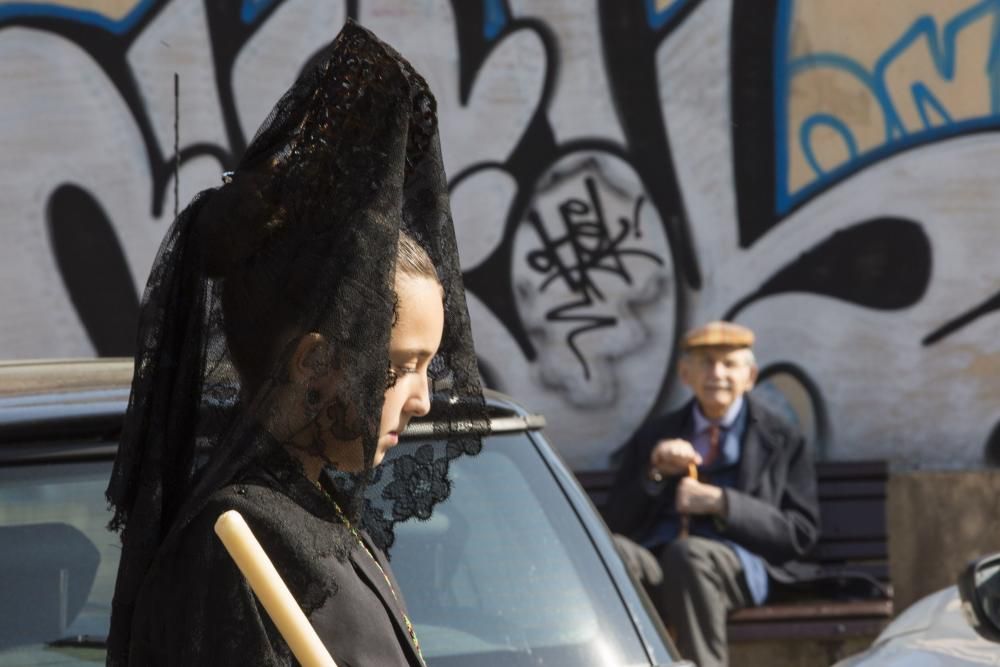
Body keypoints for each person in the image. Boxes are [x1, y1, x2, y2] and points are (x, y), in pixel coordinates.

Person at [104, 20, 485, 666]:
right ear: (314, 362)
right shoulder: (227, 551)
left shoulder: (318, 511)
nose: (423, 398)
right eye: (401, 367)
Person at [605, 321, 820, 667]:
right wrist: (656, 472)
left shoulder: (782, 438)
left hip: (738, 566)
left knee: (689, 557)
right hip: (660, 564)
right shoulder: (656, 435)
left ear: (750, 376)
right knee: (611, 551)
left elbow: (800, 534)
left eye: (729, 364)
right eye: (705, 362)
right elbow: (616, 520)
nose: (716, 373)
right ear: (685, 374)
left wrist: (722, 503)